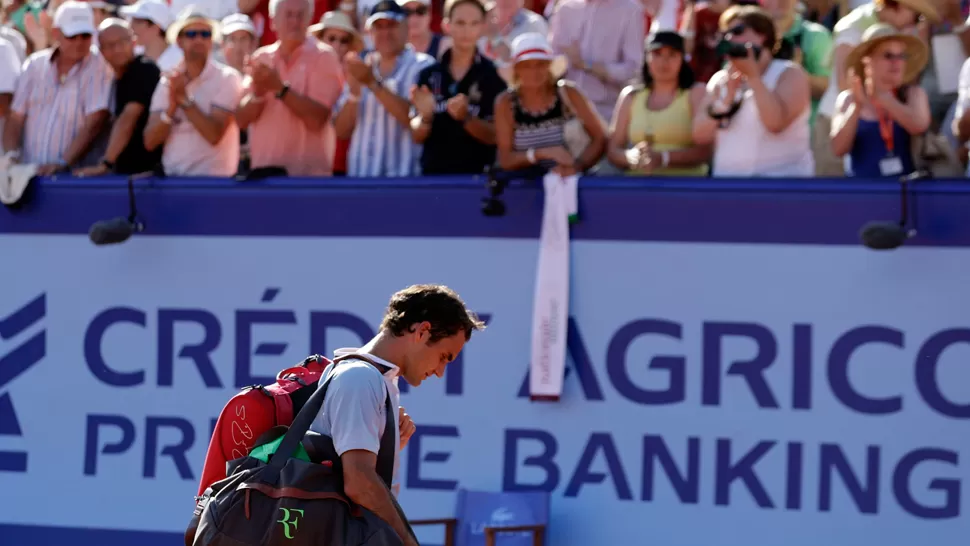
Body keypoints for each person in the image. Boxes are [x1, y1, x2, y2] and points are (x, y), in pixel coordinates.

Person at [309, 284, 485, 546]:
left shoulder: (376, 379)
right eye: (444, 357)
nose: (440, 372)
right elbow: (359, 483)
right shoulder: (360, 378)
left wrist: (388, 448)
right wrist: (407, 541)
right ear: (422, 331)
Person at [692, 5, 814, 177]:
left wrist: (754, 79)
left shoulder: (790, 74)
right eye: (725, 33)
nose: (730, 38)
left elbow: (775, 124)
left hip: (781, 187)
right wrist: (725, 100)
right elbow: (700, 135)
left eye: (737, 31)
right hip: (729, 186)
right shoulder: (721, 79)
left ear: (763, 34)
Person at [409, 0, 507, 174]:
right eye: (460, 23)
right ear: (446, 25)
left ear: (483, 26)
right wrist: (424, 118)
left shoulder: (493, 76)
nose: (467, 31)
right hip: (433, 178)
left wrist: (466, 118)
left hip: (477, 180)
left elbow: (495, 136)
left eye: (474, 23)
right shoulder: (428, 75)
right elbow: (416, 136)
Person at [494, 32, 607, 175]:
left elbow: (600, 138)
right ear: (516, 70)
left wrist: (577, 167)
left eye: (540, 64)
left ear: (549, 66)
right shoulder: (505, 103)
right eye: (526, 65)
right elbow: (506, 159)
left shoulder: (569, 93)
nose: (534, 71)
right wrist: (540, 154)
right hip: (524, 190)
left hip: (573, 184)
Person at [830, 23, 929, 177]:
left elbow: (919, 125)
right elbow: (838, 148)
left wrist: (883, 98)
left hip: (907, 194)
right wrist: (856, 107)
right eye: (888, 55)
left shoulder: (913, 94)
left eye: (901, 56)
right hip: (865, 194)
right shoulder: (848, 99)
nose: (896, 62)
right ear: (867, 60)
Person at [608, 31, 710, 175]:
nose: (664, 61)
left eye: (672, 55)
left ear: (682, 60)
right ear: (646, 58)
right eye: (657, 54)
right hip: (638, 189)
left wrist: (663, 158)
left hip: (686, 189)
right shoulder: (630, 96)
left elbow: (706, 150)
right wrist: (631, 157)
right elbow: (613, 150)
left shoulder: (696, 93)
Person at [76, 18, 163, 176]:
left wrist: (106, 164)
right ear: (101, 51)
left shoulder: (145, 69)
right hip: (127, 173)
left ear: (134, 42)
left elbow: (128, 118)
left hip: (146, 177)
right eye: (109, 45)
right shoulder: (112, 78)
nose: (117, 49)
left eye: (122, 42)